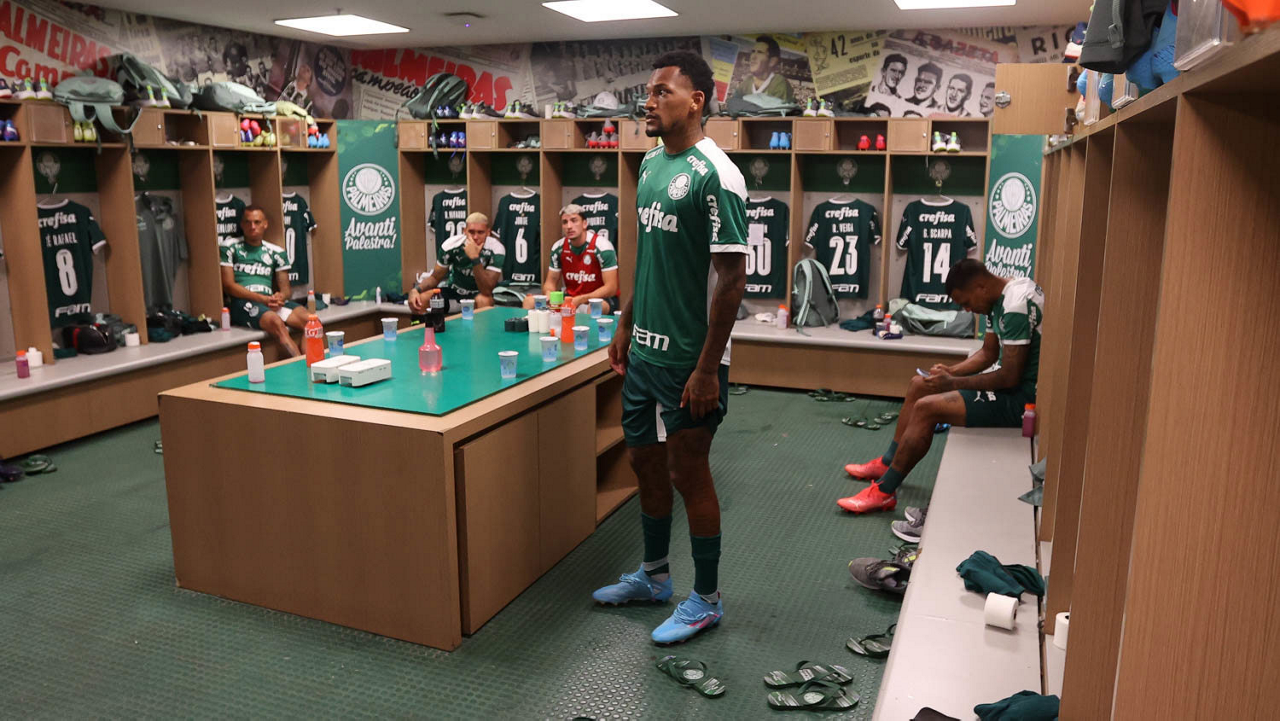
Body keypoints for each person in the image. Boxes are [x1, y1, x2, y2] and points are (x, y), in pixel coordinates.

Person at [592, 50, 749, 645]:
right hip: (645, 352)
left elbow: (732, 280)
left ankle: (706, 598)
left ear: (696, 101)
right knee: (644, 463)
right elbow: (648, 256)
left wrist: (708, 368)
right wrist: (626, 323)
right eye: (648, 92)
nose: (649, 101)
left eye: (662, 92)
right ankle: (654, 577)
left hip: (690, 361)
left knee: (689, 472)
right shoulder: (651, 162)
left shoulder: (718, 175)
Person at [838, 260, 1044, 513]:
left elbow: (1010, 377)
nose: (967, 310)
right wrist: (950, 371)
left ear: (981, 287)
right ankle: (888, 462)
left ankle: (884, 492)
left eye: (966, 302)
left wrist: (953, 383)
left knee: (927, 409)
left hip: (1025, 401)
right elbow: (988, 353)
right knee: (920, 385)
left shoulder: (1015, 305)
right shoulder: (996, 297)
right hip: (1009, 387)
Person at [220, 206, 309, 356]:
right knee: (276, 323)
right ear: (242, 225)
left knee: (311, 322)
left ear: (265, 224)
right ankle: (300, 366)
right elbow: (229, 286)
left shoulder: (276, 252)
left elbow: (286, 290)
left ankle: (312, 364)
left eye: (257, 222)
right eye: (247, 222)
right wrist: (262, 299)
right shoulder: (230, 246)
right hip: (243, 303)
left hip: (268, 301)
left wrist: (280, 297)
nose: (252, 226)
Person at [521, 204, 619, 313]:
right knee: (529, 301)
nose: (569, 226)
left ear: (584, 224)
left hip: (597, 299)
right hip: (570, 298)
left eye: (574, 220)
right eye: (565, 222)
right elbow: (550, 282)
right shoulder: (558, 247)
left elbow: (611, 288)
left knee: (595, 308)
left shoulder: (602, 247)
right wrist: (549, 295)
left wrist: (581, 299)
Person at [408, 212, 505, 314]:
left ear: (488, 232)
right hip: (454, 291)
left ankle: (480, 325)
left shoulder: (496, 249)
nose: (475, 237)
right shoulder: (451, 245)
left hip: (478, 294)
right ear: (464, 231)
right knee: (422, 299)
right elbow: (435, 278)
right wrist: (415, 290)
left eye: (480, 232)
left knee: (484, 300)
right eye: (471, 232)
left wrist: (475, 258)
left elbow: (486, 290)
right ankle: (427, 324)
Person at [733, 35, 796, 103]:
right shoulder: (747, 81)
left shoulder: (779, 83)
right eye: (753, 51)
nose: (753, 57)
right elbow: (733, 103)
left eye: (760, 52)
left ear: (772, 61)